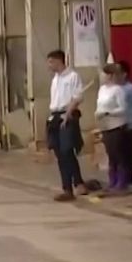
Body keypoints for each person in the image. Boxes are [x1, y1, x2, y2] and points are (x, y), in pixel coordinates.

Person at [46, 50, 86, 202]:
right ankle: (67, 187)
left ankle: (77, 183)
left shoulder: (72, 76)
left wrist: (68, 114)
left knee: (67, 150)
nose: (49, 65)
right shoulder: (55, 79)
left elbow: (77, 97)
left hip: (67, 115)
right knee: (59, 153)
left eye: (51, 62)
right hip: (55, 116)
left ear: (59, 61)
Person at [95, 63, 130, 191]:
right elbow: (100, 105)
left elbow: (123, 108)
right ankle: (112, 180)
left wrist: (109, 112)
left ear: (110, 75)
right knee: (110, 153)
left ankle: (122, 181)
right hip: (105, 125)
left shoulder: (118, 90)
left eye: (104, 74)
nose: (102, 77)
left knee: (118, 152)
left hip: (117, 125)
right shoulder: (102, 90)